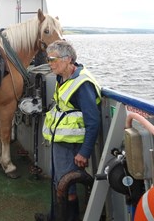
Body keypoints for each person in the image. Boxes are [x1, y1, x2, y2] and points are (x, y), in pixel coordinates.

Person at [35, 40, 101, 221]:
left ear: (68, 59)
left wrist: (84, 152)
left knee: (67, 185)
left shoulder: (82, 84)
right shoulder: (62, 77)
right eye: (48, 59)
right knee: (58, 182)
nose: (49, 63)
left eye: (52, 59)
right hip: (60, 142)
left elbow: (93, 121)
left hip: (71, 145)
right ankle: (54, 216)